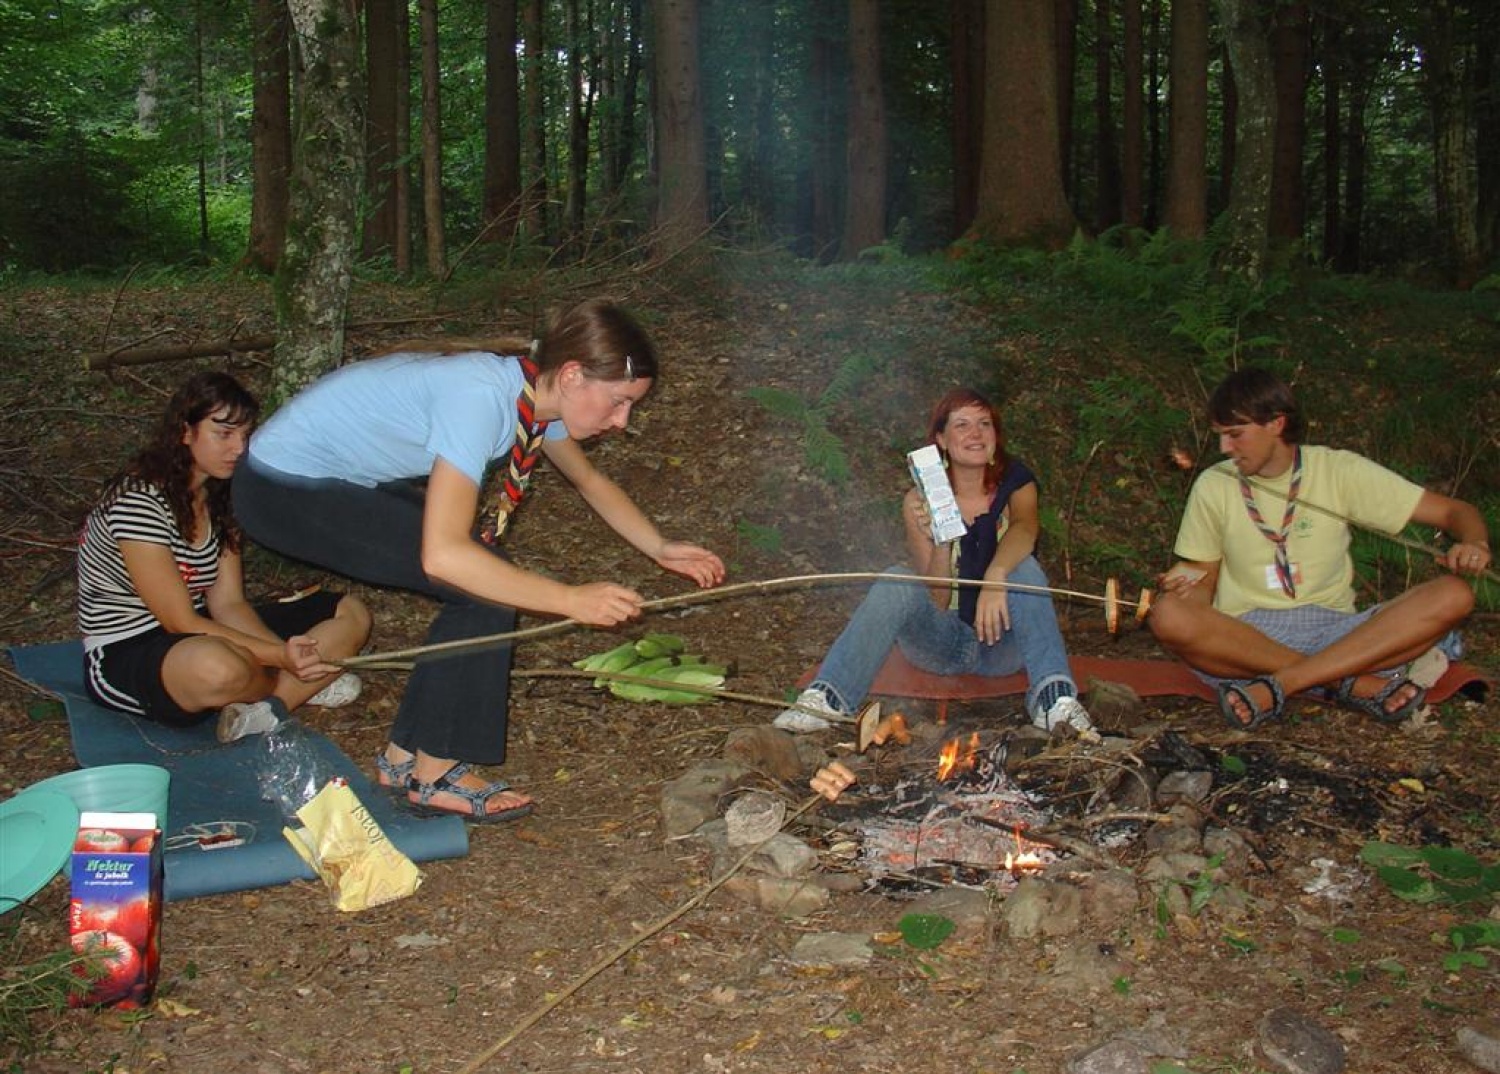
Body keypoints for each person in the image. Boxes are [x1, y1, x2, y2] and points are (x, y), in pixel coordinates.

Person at [233, 299, 726, 824]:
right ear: (575, 375)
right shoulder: (480, 397)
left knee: (486, 575)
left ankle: (407, 759)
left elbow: (590, 481)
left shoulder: (537, 397)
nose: (622, 421)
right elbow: (444, 556)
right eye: (619, 402)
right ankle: (436, 772)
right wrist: (567, 599)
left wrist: (659, 546)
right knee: (483, 584)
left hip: (319, 480)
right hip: (280, 489)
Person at [1148, 367, 1489, 729]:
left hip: (1340, 633)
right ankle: (1349, 683)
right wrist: (1190, 599)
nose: (1225, 449)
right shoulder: (1214, 484)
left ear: (1276, 424)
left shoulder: (1337, 470)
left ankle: (1284, 684)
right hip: (1249, 640)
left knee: (1453, 595)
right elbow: (1202, 580)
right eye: (1220, 436)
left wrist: (1474, 542)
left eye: (1235, 435)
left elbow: (1456, 511)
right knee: (1169, 614)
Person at [774, 387, 1094, 736]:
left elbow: (1025, 529)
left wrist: (996, 575)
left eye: (984, 424)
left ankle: (1055, 701)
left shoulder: (1017, 484)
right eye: (962, 425)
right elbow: (936, 600)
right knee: (897, 579)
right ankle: (829, 700)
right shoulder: (919, 500)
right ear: (941, 438)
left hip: (1003, 642)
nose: (975, 433)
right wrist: (941, 540)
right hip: (944, 642)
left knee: (1025, 567)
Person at [77, 372, 372, 743]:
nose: (238, 449)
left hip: (200, 628)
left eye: (245, 436)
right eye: (223, 434)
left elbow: (229, 604)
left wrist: (285, 654)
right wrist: (281, 656)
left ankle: (269, 704)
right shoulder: (136, 501)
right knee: (217, 668)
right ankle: (293, 688)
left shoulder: (220, 497)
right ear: (185, 431)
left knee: (349, 612)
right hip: (131, 647)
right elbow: (178, 621)